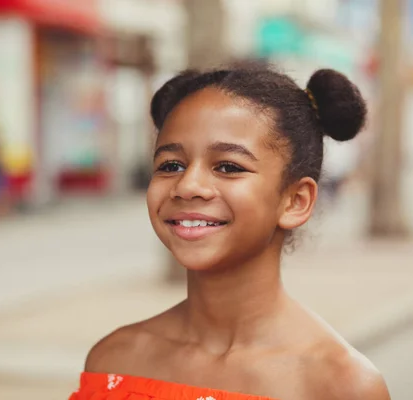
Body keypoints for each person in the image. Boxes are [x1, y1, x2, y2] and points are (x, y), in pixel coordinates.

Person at [70, 64, 390, 400]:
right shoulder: (114, 361)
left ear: (295, 201)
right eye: (171, 165)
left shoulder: (342, 385)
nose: (187, 185)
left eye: (228, 167)